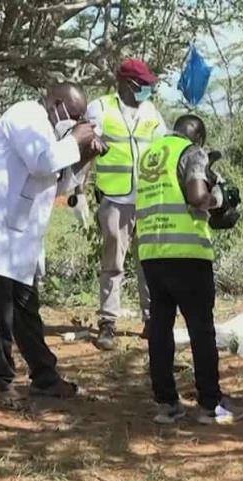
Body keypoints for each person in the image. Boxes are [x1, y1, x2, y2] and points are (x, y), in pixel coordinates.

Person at [0, 84, 104, 407]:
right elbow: (41, 163)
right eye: (75, 117)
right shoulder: (27, 114)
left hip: (19, 232)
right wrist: (74, 141)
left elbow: (59, 182)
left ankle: (45, 378)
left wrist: (84, 156)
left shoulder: (52, 133)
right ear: (57, 104)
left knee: (25, 307)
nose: (78, 123)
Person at [136, 114, 243, 425]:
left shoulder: (150, 155)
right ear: (197, 137)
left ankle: (167, 404)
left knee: (160, 328)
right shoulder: (192, 152)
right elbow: (197, 196)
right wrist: (221, 198)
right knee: (201, 329)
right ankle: (210, 404)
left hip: (151, 253)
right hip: (187, 253)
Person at [85, 59, 166, 351]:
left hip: (146, 199)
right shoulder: (101, 108)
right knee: (113, 264)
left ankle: (151, 320)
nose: (148, 89)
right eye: (144, 85)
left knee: (149, 264)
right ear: (129, 84)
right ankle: (108, 323)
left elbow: (164, 146)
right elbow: (85, 144)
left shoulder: (151, 112)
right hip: (115, 199)